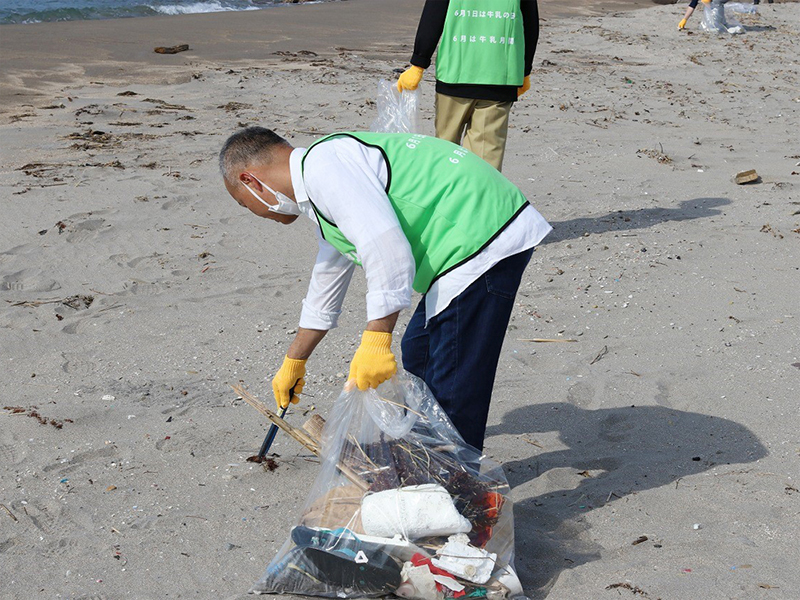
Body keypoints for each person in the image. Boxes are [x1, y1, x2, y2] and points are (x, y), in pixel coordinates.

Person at [219, 126, 551, 450]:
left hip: (482, 233)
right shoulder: (318, 185)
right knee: (420, 348)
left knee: (450, 368)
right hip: (466, 241)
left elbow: (388, 250)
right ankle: (432, 452)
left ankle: (459, 486)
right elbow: (328, 279)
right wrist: (294, 360)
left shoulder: (326, 169)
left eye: (244, 204)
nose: (255, 213)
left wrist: (376, 340)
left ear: (250, 181)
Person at [396, 0, 539, 172]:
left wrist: (419, 62)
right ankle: (478, 197)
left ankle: (447, 196)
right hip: (500, 75)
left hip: (455, 74)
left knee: (445, 151)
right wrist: (524, 71)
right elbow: (530, 24)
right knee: (485, 161)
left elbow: (433, 15)